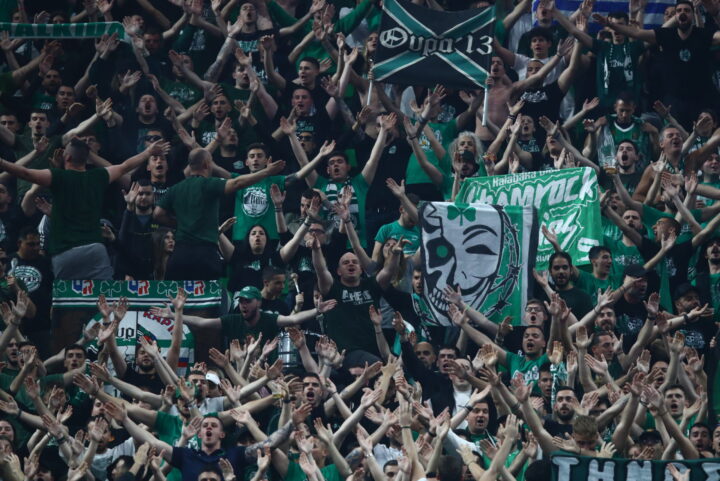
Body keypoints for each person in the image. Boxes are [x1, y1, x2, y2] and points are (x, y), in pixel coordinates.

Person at [154, 147, 285, 280]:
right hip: (205, 254)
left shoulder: (176, 188)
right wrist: (267, 172)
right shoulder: (210, 184)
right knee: (207, 294)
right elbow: (237, 183)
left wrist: (179, 223)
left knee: (177, 292)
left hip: (179, 255)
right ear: (206, 164)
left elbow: (158, 214)